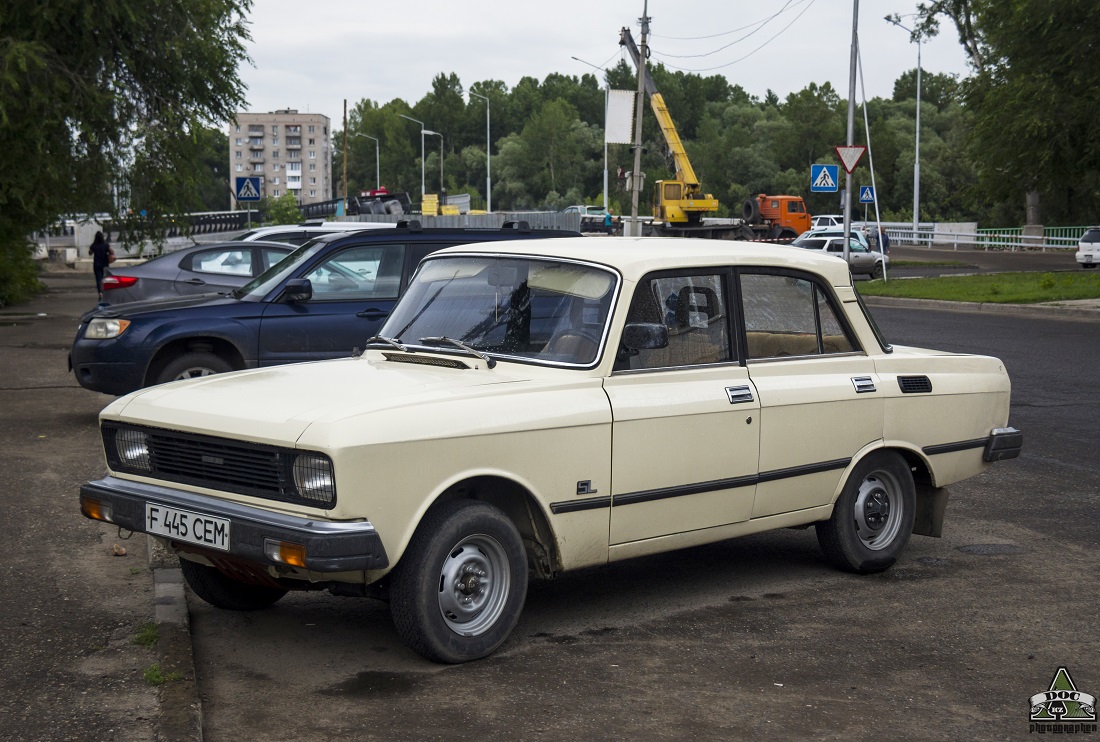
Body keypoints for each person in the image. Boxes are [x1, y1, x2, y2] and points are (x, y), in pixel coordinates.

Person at [89, 231, 113, 299]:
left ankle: (100, 293)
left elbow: (90, 253)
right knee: (105, 279)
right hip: (105, 264)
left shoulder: (93, 245)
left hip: (96, 264)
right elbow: (112, 251)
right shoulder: (105, 245)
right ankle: (106, 292)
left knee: (98, 279)